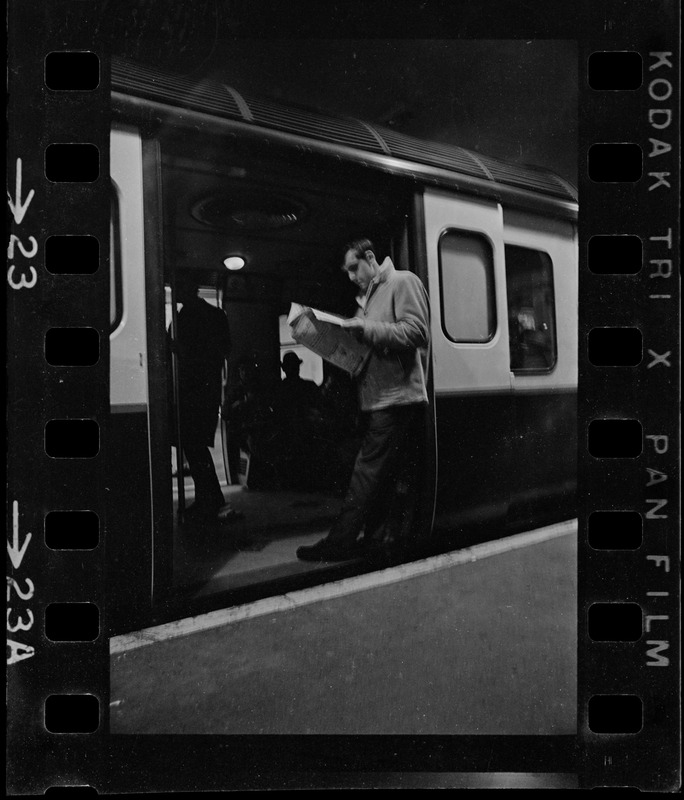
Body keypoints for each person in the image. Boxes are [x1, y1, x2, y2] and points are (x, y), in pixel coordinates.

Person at [296, 238, 430, 561]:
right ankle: (375, 540)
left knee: (366, 471)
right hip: (378, 397)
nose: (352, 277)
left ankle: (339, 541)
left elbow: (417, 332)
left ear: (370, 257)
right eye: (348, 273)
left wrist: (365, 328)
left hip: (396, 398)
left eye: (355, 268)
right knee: (381, 475)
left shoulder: (402, 282)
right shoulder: (368, 298)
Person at [171, 273, 238, 521]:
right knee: (197, 446)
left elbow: (177, 348)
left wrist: (186, 353)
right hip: (207, 389)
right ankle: (210, 499)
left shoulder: (183, 318)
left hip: (191, 389)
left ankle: (210, 501)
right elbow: (225, 350)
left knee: (193, 445)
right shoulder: (215, 315)